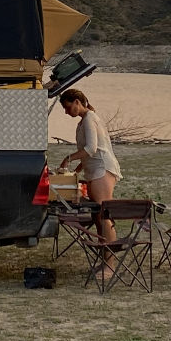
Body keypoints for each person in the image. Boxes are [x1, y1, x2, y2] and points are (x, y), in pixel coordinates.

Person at [57, 88, 123, 279]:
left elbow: (92, 149)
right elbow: (87, 154)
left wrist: (67, 158)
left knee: (104, 214)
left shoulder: (89, 119)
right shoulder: (84, 121)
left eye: (68, 107)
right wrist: (76, 171)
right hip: (93, 170)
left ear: (77, 102)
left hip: (102, 170)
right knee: (97, 216)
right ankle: (105, 261)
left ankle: (110, 265)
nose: (67, 112)